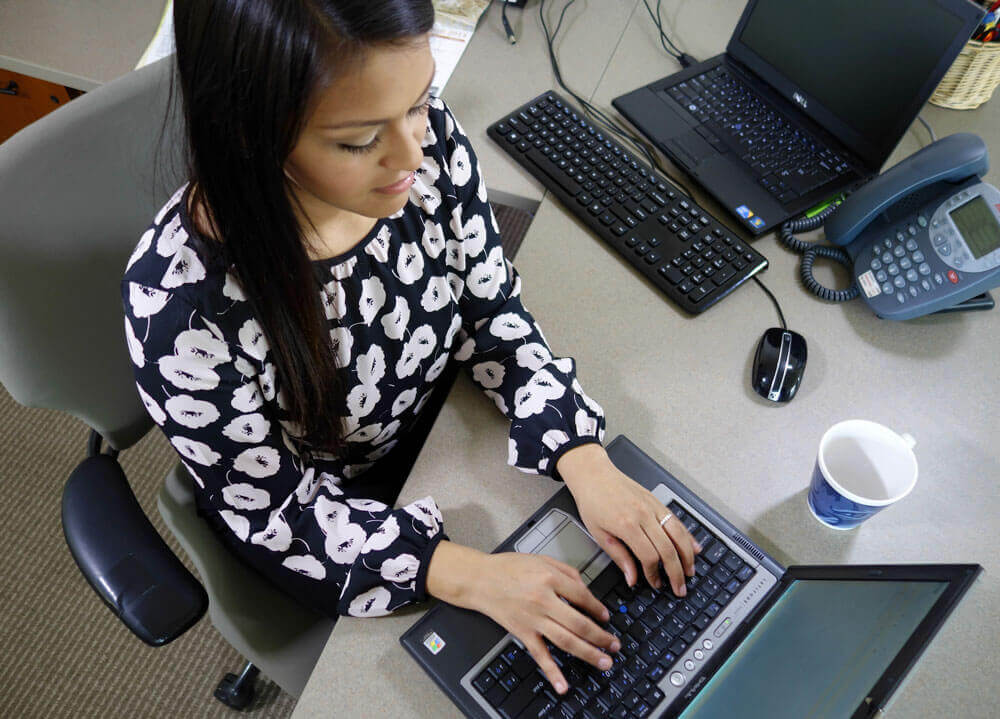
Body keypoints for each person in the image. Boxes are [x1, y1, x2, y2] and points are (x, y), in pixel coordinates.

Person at [122, 0, 699, 695]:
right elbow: (279, 516)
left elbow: (490, 304)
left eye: (420, 103)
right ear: (250, 132)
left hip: (445, 430)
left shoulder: (425, 143)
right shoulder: (180, 310)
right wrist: (473, 573)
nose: (413, 154)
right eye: (360, 139)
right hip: (338, 502)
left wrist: (584, 457)